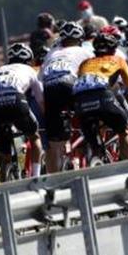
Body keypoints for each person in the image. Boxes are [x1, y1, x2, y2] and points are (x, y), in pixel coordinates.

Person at [73, 31, 128, 160]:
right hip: (103, 96)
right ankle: (125, 167)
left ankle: (96, 159)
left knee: (95, 144)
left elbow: (84, 86)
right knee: (124, 131)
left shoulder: (85, 63)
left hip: (80, 101)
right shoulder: (118, 60)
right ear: (114, 50)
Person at [39, 22, 94, 173]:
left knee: (54, 142)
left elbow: (40, 79)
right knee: (89, 116)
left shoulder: (52, 53)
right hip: (69, 84)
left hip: (49, 88)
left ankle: (55, 177)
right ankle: (88, 146)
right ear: (80, 39)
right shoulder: (83, 51)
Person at [0, 42, 45, 177]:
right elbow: (40, 99)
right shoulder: (29, 70)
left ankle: (5, 176)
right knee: (34, 137)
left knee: (4, 148)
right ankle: (36, 176)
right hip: (16, 100)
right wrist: (46, 116)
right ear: (28, 60)